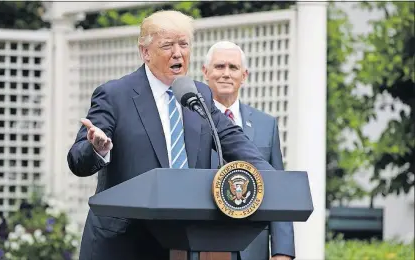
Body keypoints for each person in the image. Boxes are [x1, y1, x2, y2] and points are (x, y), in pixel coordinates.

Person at [67, 10, 277, 260]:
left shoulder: (199, 95)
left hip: (179, 242)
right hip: (122, 244)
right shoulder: (115, 95)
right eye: (168, 45)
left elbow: (234, 140)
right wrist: (97, 149)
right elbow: (77, 160)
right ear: (145, 52)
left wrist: (275, 181)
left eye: (184, 44)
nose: (178, 53)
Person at [202, 41, 295, 260]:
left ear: (244, 75)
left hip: (253, 247)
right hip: (205, 243)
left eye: (233, 68)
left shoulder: (266, 124)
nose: (226, 74)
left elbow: (277, 185)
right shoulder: (191, 121)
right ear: (205, 72)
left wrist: (283, 252)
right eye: (219, 67)